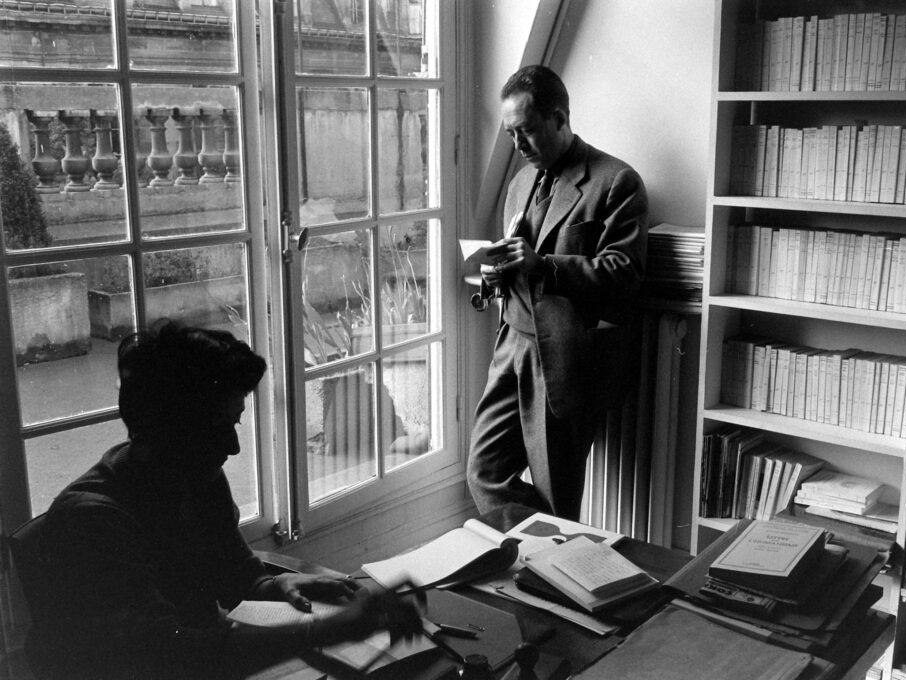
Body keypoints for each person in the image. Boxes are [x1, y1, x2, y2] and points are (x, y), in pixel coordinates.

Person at [18, 321, 421, 680]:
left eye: (235, 423)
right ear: (169, 429)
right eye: (218, 427)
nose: (232, 446)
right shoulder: (92, 522)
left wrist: (273, 583)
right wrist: (328, 630)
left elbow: (232, 570)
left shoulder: (193, 475)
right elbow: (169, 656)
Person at [467, 65, 649, 520]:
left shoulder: (616, 181)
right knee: (484, 472)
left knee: (556, 492)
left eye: (526, 131)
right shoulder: (519, 184)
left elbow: (624, 271)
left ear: (560, 117)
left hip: (565, 355)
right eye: (510, 134)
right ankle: (542, 545)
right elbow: (515, 261)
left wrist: (543, 264)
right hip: (512, 344)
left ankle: (549, 574)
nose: (518, 146)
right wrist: (495, 275)